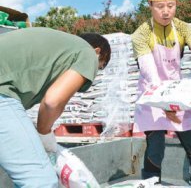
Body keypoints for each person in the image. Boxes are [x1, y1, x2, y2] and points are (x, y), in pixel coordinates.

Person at [131, 0, 191, 187]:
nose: (166, 11)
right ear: (150, 5)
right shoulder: (140, 35)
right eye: (160, 6)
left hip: (177, 94)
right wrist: (164, 104)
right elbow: (149, 72)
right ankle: (152, 184)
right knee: (156, 147)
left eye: (170, 6)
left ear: (176, 5)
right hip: (153, 97)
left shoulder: (182, 28)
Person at [0, 27, 111, 187]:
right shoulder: (87, 53)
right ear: (97, 52)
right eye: (100, 67)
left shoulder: (56, 47)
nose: (94, 73)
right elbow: (52, 101)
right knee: (40, 180)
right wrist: (44, 134)